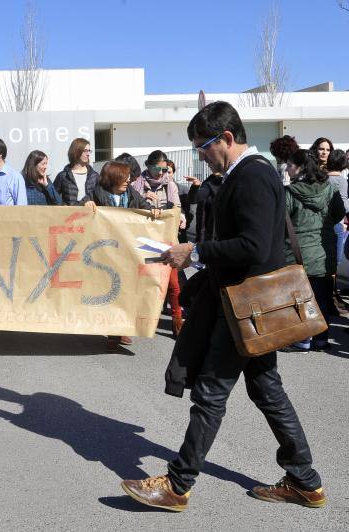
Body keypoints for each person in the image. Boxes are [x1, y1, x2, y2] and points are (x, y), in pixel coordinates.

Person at [122, 101, 326, 511]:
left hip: (243, 307)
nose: (199, 154)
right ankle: (305, 480)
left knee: (211, 395)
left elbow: (252, 246)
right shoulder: (250, 174)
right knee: (268, 392)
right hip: (248, 307)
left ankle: (177, 486)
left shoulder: (250, 176)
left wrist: (194, 252)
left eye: (202, 145)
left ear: (227, 139)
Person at [81, 161, 155, 352]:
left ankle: (123, 328)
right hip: (105, 252)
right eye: (124, 176)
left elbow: (145, 207)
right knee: (111, 291)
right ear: (113, 177)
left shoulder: (131, 194)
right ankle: (113, 332)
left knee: (126, 291)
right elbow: (80, 204)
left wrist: (154, 211)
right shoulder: (97, 193)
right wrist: (86, 204)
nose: (129, 180)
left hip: (128, 251)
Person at [279, 149, 344, 352]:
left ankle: (302, 339)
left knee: (299, 298)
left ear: (300, 167)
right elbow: (340, 213)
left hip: (298, 254)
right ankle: (321, 340)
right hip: (325, 253)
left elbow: (281, 222)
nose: (287, 169)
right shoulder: (330, 189)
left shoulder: (290, 192)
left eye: (289, 165)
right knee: (322, 298)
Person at [132, 150, 186, 337]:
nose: (162, 173)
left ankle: (177, 319)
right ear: (149, 166)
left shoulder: (169, 185)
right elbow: (131, 211)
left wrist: (181, 217)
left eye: (165, 169)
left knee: (172, 282)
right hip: (143, 240)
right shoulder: (136, 185)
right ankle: (137, 321)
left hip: (166, 238)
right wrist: (145, 202)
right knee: (142, 281)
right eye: (158, 169)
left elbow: (177, 208)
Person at [54, 138, 100, 204]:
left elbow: (101, 197)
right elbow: (54, 198)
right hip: (69, 213)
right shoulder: (63, 176)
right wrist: (63, 205)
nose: (88, 154)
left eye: (89, 151)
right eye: (85, 151)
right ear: (76, 151)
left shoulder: (94, 176)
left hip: (90, 213)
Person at [186, 171, 223, 244]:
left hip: (220, 233)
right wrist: (195, 186)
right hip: (204, 230)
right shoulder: (210, 181)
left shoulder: (230, 181)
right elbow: (194, 199)